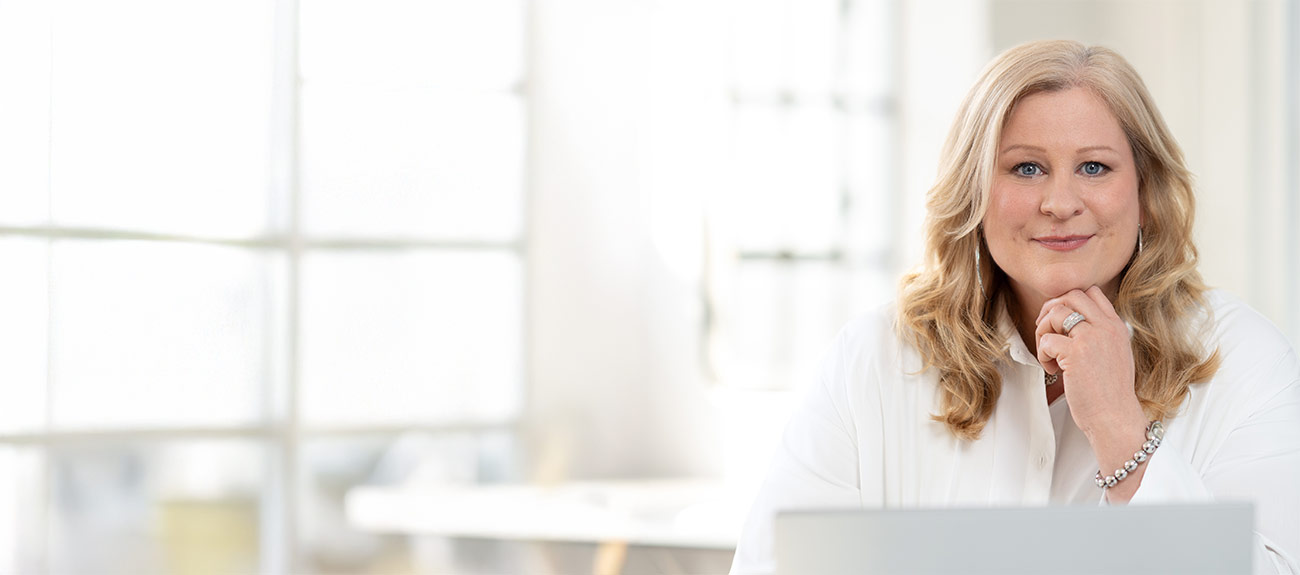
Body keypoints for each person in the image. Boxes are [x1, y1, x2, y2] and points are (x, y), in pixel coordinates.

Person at [729, 40, 1300, 574]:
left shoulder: (1244, 360)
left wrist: (1119, 428)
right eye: (1026, 168)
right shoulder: (874, 359)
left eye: (1094, 167)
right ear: (974, 194)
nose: (1059, 203)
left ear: (1146, 196)